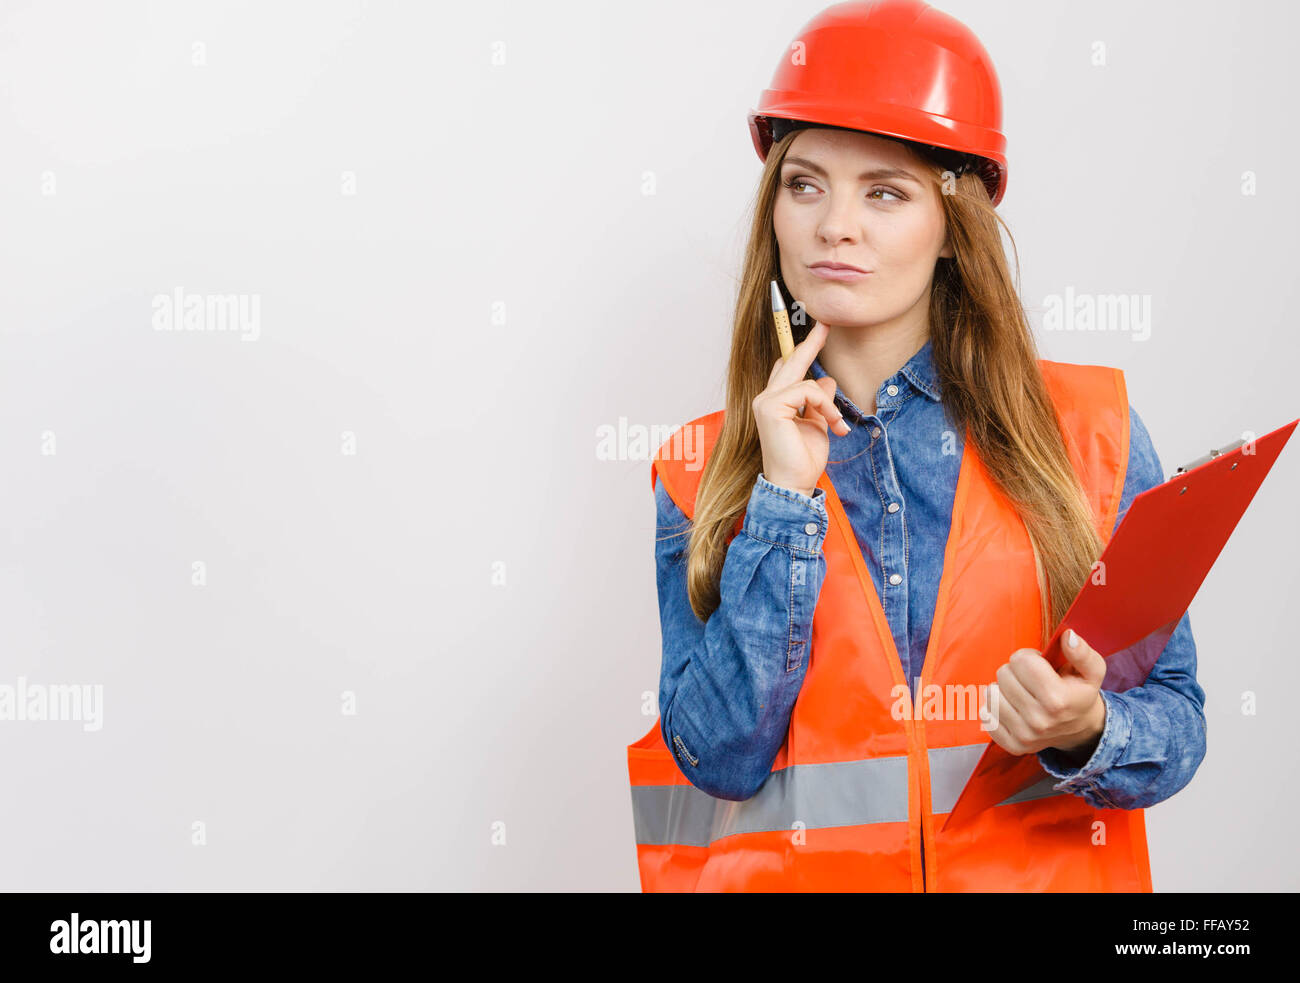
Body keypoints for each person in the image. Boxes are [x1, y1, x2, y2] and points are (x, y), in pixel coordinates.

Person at [626, 0, 1206, 892]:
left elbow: (1176, 720)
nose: (833, 226)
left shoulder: (1091, 432)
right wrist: (783, 498)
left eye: (885, 192)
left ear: (953, 223)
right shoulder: (701, 468)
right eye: (805, 183)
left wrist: (1087, 727)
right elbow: (716, 759)